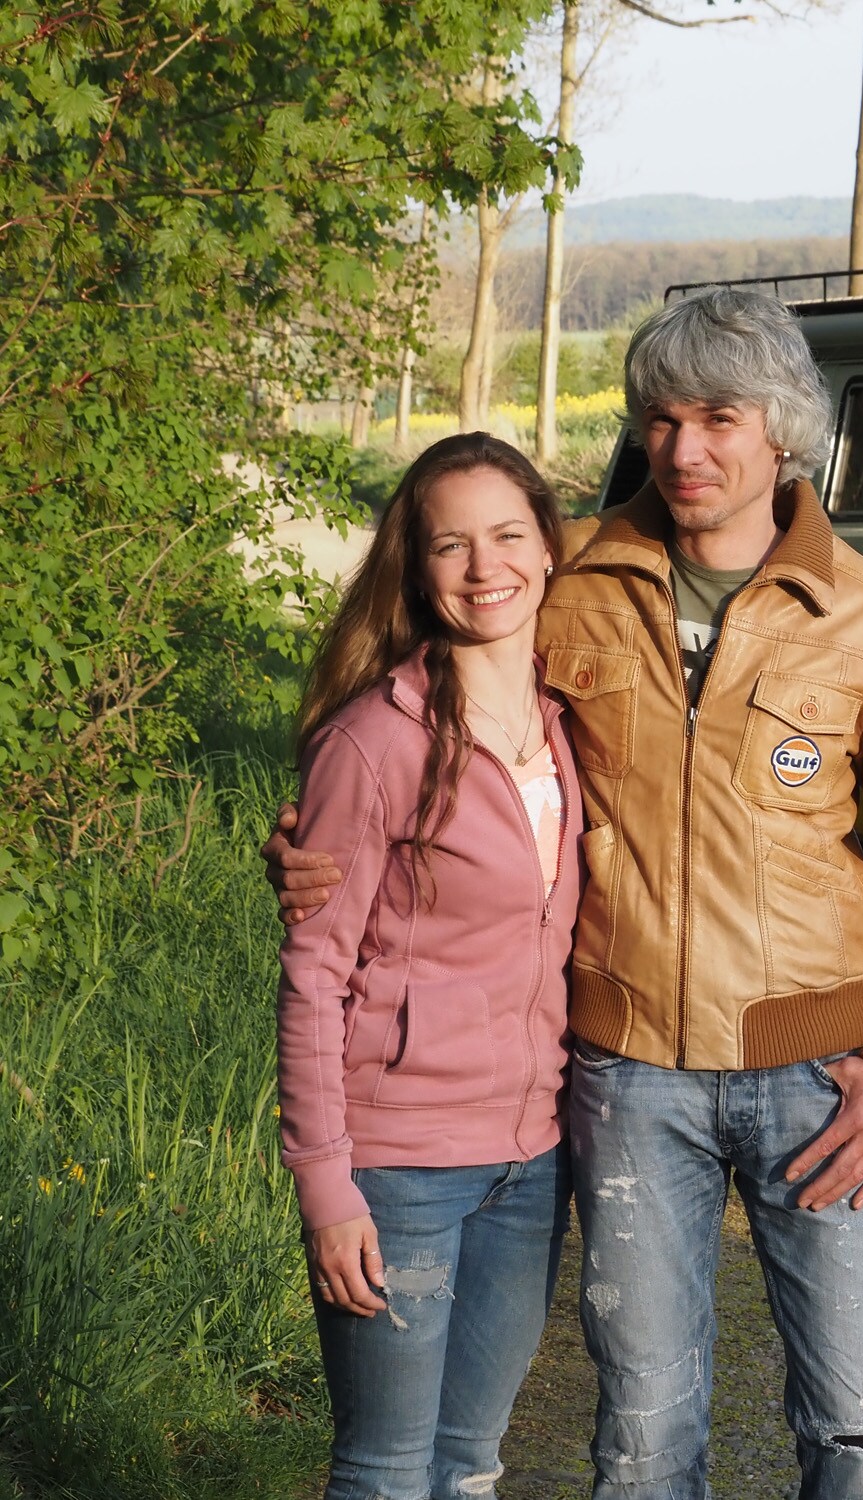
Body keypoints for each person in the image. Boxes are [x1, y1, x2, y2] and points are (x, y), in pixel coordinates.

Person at [268, 287, 863, 1500]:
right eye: (660, 418)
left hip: (819, 1085)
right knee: (644, 1442)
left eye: (717, 417)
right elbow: (428, 722)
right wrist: (309, 845)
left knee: (858, 1438)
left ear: (783, 431)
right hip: (625, 1079)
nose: (683, 449)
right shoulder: (572, 582)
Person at [276, 433, 581, 1500]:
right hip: (396, 1168)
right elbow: (314, 974)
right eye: (450, 545)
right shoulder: (374, 742)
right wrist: (326, 1188)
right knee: (387, 1468)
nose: (483, 567)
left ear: (549, 546)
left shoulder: (573, 722)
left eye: (506, 535)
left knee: (469, 1465)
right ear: (415, 567)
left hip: (532, 1158)